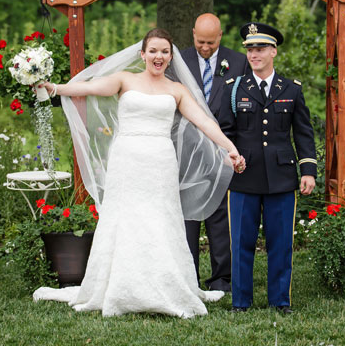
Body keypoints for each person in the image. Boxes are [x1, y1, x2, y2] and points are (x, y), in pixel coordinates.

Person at [32, 28, 246, 318]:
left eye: (165, 52)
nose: (159, 56)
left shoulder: (177, 90)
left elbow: (205, 124)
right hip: (128, 160)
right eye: (154, 51)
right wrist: (55, 88)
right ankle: (120, 283)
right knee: (126, 217)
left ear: (171, 57)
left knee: (160, 217)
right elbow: (90, 88)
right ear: (142, 54)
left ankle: (166, 283)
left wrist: (229, 147)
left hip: (160, 162)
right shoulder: (125, 80)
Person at [219, 22, 316, 314]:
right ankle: (241, 302)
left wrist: (308, 170)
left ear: (273, 51)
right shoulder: (234, 88)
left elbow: (303, 133)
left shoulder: (291, 89)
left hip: (281, 177)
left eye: (260, 48)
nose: (253, 54)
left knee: (281, 243)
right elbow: (225, 130)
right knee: (241, 243)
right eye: (249, 48)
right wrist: (229, 155)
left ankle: (280, 300)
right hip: (244, 176)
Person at [181, 13, 248, 292]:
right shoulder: (179, 59)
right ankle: (187, 276)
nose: (204, 47)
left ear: (220, 36)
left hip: (223, 150)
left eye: (210, 42)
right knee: (187, 215)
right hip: (186, 151)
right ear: (193, 33)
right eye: (199, 41)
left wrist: (234, 149)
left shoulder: (239, 62)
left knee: (221, 216)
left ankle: (222, 279)